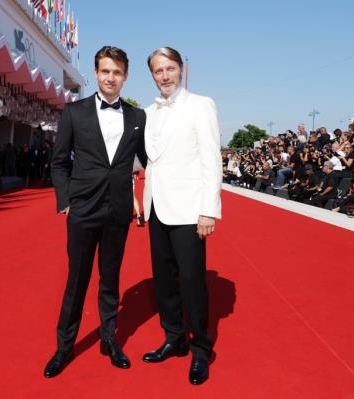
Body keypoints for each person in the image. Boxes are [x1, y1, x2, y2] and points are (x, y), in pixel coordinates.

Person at [45, 46, 147, 378]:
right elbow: (59, 162)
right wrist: (66, 200)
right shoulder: (74, 112)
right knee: (76, 281)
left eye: (117, 72)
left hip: (118, 210)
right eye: (105, 71)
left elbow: (146, 160)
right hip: (83, 208)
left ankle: (109, 341)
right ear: (96, 73)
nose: (111, 78)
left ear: (125, 76)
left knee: (110, 279)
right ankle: (64, 347)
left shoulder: (137, 117)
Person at [141, 47, 222, 386]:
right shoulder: (147, 112)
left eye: (169, 68)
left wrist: (208, 209)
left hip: (190, 209)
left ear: (180, 69)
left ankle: (201, 349)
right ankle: (173, 337)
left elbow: (211, 158)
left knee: (191, 280)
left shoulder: (200, 104)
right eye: (158, 70)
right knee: (163, 280)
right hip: (156, 206)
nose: (164, 76)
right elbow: (148, 161)